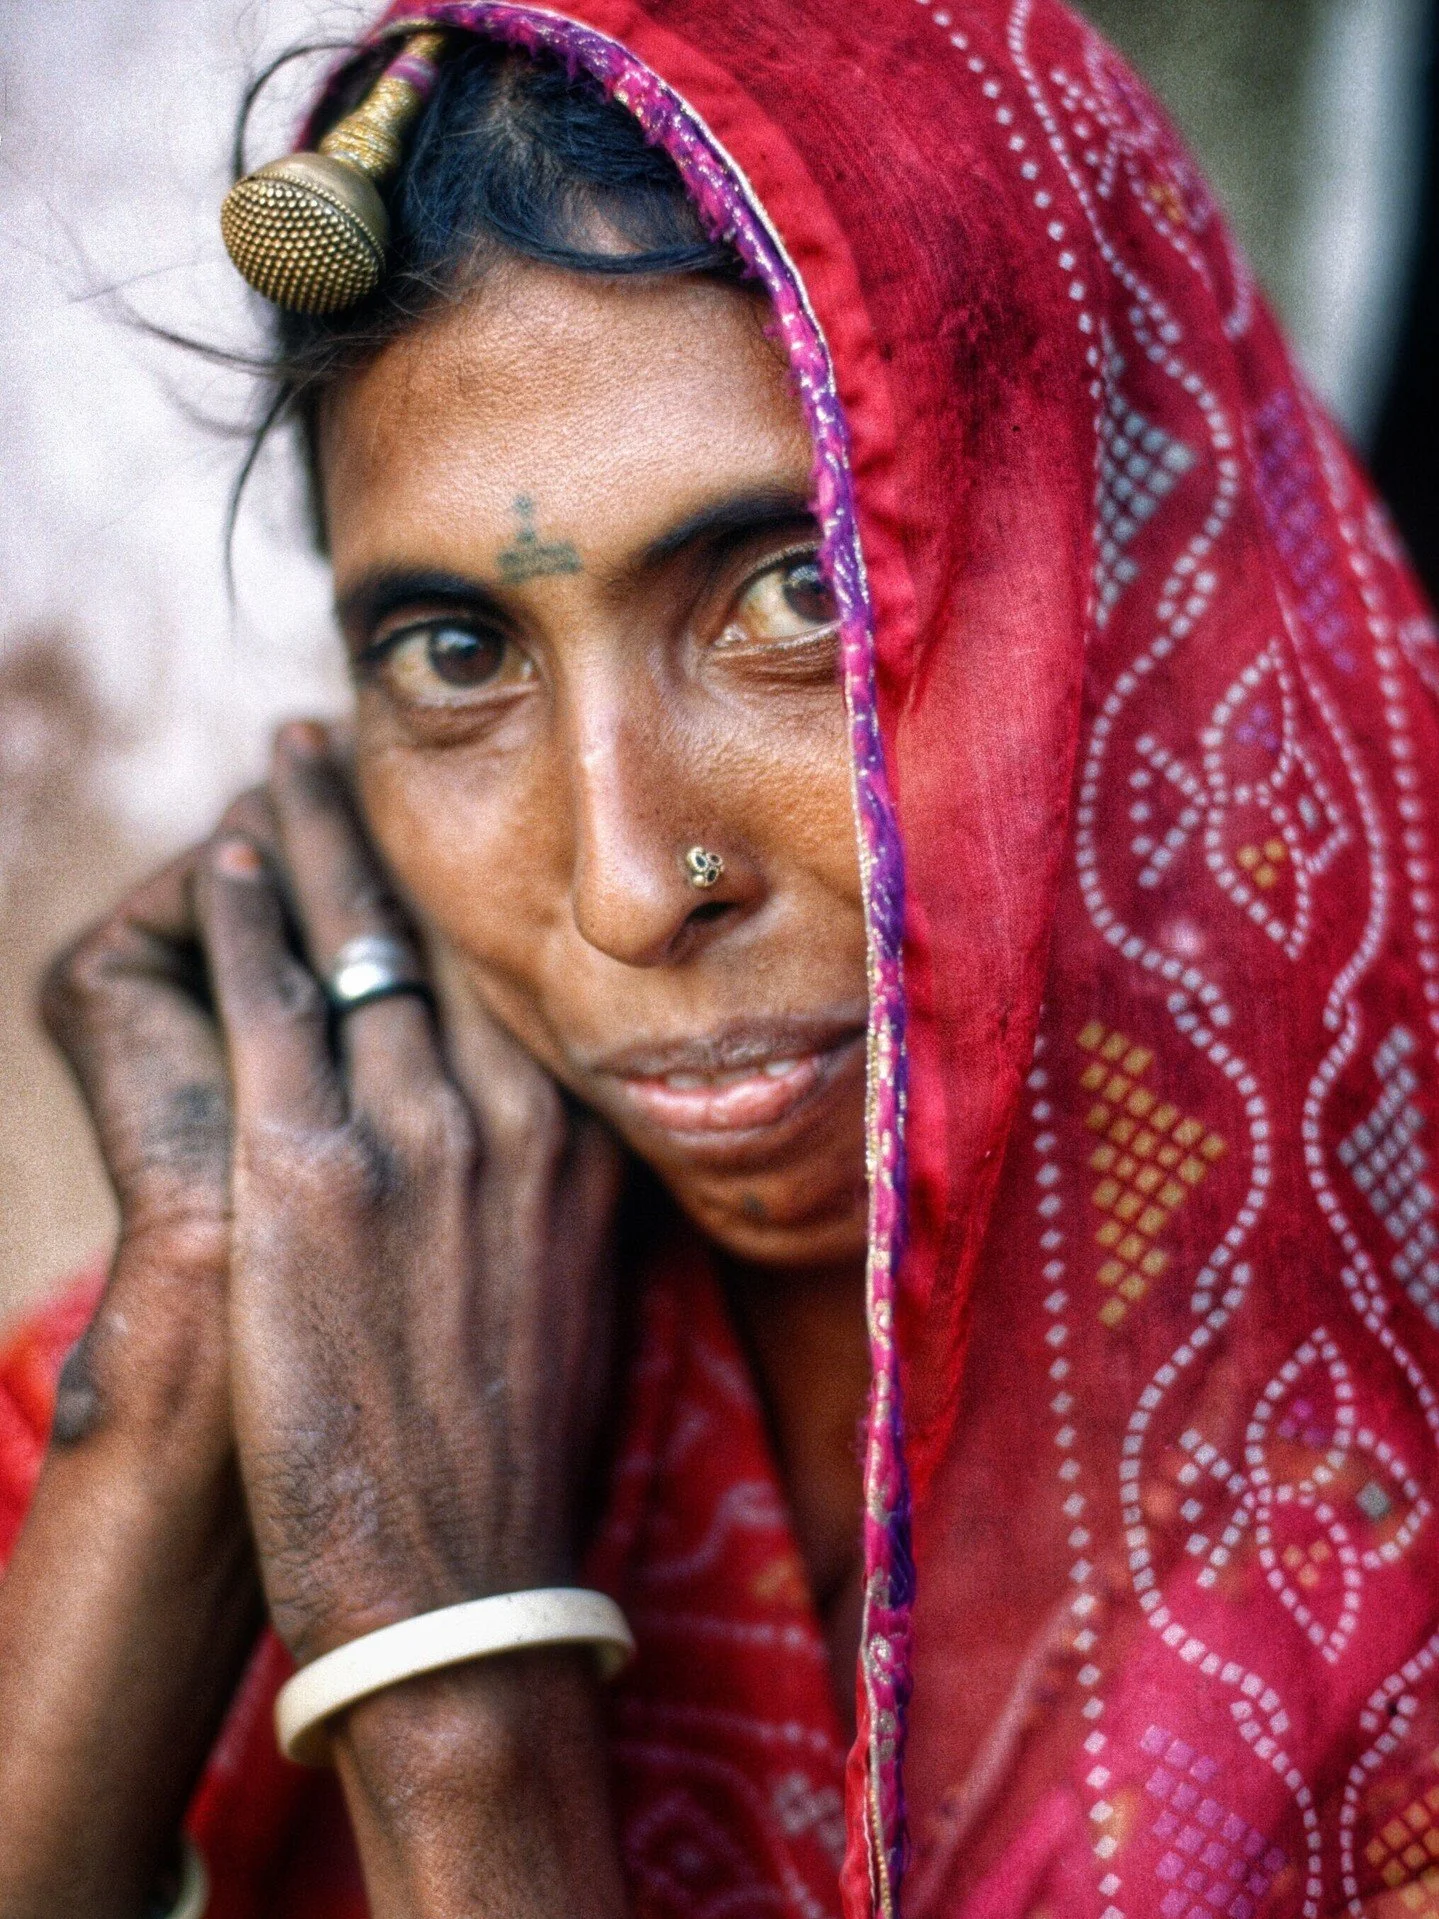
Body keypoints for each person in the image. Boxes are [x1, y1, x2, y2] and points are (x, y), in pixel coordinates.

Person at [3, 0, 1439, 1914]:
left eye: (794, 593)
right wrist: (164, 1407)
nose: (627, 887)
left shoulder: (1373, 1497)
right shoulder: (292, 1343)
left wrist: (452, 1694)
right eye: (454, 653)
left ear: (1120, 586)